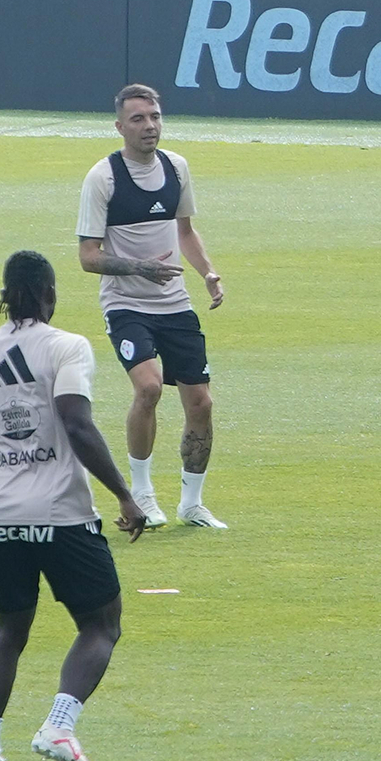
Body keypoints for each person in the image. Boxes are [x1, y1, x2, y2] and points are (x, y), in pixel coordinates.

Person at [0, 250, 147, 761]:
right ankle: (59, 726)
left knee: (9, 633)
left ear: (3, 295)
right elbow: (77, 422)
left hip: (3, 516)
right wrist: (124, 494)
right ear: (50, 293)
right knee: (101, 623)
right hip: (63, 514)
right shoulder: (67, 347)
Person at [77, 83, 227, 528]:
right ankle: (140, 494)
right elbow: (88, 257)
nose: (150, 126)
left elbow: (184, 232)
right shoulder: (102, 178)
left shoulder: (176, 168)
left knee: (200, 403)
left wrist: (208, 272)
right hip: (125, 304)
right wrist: (139, 268)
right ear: (119, 126)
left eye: (156, 116)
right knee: (149, 388)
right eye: (139, 119)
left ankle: (192, 504)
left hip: (174, 304)